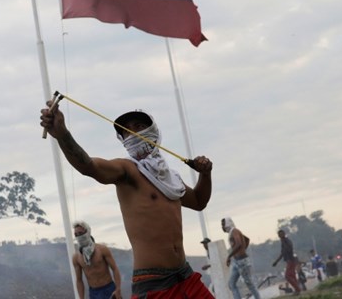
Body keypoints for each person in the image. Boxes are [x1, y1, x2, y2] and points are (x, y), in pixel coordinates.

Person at [41, 106, 214, 299]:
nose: (132, 133)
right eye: (126, 130)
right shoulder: (127, 170)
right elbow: (88, 166)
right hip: (154, 284)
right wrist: (62, 134)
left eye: (138, 126)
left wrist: (205, 174)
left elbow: (199, 202)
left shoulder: (170, 179)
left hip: (186, 276)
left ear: (153, 131)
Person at [72, 220, 122, 299]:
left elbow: (115, 269)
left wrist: (118, 289)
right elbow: (79, 280)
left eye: (81, 233)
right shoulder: (76, 257)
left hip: (109, 289)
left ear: (88, 232)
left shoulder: (102, 249)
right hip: (93, 293)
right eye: (76, 234)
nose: (79, 236)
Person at [222, 217, 261, 299]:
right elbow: (247, 240)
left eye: (223, 224)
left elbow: (239, 243)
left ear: (227, 223)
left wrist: (230, 256)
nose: (222, 227)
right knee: (231, 284)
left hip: (243, 262)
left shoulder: (235, 231)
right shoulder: (233, 232)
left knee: (249, 284)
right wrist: (242, 250)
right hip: (236, 262)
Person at [272, 229, 300, 295]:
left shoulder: (286, 241)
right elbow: (282, 253)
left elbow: (289, 250)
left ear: (284, 234)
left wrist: (277, 261)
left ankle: (298, 289)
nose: (280, 235)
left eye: (281, 234)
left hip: (291, 260)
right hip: (290, 260)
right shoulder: (283, 242)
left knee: (287, 276)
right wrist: (276, 262)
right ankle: (297, 290)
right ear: (278, 236)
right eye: (279, 234)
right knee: (292, 276)